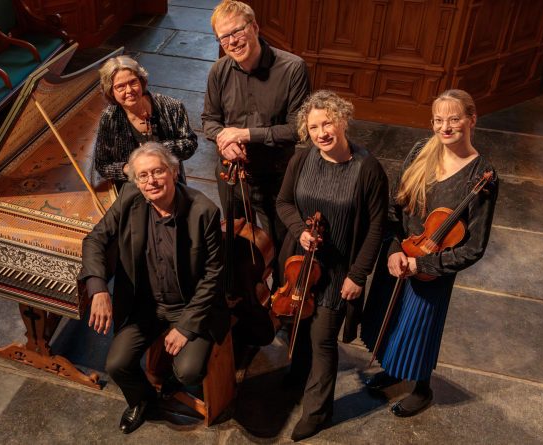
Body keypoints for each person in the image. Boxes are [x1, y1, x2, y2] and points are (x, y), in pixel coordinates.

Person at [361, 89, 498, 418]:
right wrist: (394, 249)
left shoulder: (482, 177)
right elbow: (396, 208)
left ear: (471, 119)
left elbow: (474, 247)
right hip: (399, 255)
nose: (445, 127)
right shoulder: (420, 151)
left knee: (417, 330)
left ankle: (421, 389)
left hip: (432, 270)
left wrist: (422, 262)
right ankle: (394, 371)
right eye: (438, 120)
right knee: (388, 318)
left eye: (454, 119)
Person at [80, 143, 230, 434]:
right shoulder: (130, 198)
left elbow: (214, 275)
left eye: (158, 171)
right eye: (143, 175)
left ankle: (173, 378)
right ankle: (142, 400)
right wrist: (98, 288)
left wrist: (186, 327)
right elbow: (95, 240)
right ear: (136, 181)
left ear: (173, 172)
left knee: (189, 370)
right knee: (117, 364)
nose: (151, 181)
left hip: (188, 306)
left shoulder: (203, 211)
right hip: (145, 305)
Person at [276, 90, 388, 441]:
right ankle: (299, 374)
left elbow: (376, 228)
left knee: (323, 338)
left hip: (340, 271)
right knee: (300, 322)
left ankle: (318, 412)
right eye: (313, 127)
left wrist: (358, 275)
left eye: (327, 123)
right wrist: (300, 232)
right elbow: (284, 203)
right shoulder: (302, 160)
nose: (321, 132)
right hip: (301, 264)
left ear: (342, 121)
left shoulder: (367, 169)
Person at [202, 0, 310, 295]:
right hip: (232, 175)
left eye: (237, 31)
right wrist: (224, 143)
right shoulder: (219, 71)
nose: (232, 41)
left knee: (279, 244)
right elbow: (209, 121)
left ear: (255, 27)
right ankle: (248, 301)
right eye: (224, 37)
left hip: (276, 176)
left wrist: (247, 134)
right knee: (240, 241)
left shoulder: (292, 68)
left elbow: (297, 129)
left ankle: (282, 303)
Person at [94, 56, 197, 190]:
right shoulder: (109, 118)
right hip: (133, 188)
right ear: (111, 92)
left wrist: (158, 151)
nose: (129, 90)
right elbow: (102, 165)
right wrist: (128, 169)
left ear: (142, 81)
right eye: (120, 87)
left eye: (133, 82)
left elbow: (190, 143)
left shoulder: (172, 107)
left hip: (171, 184)